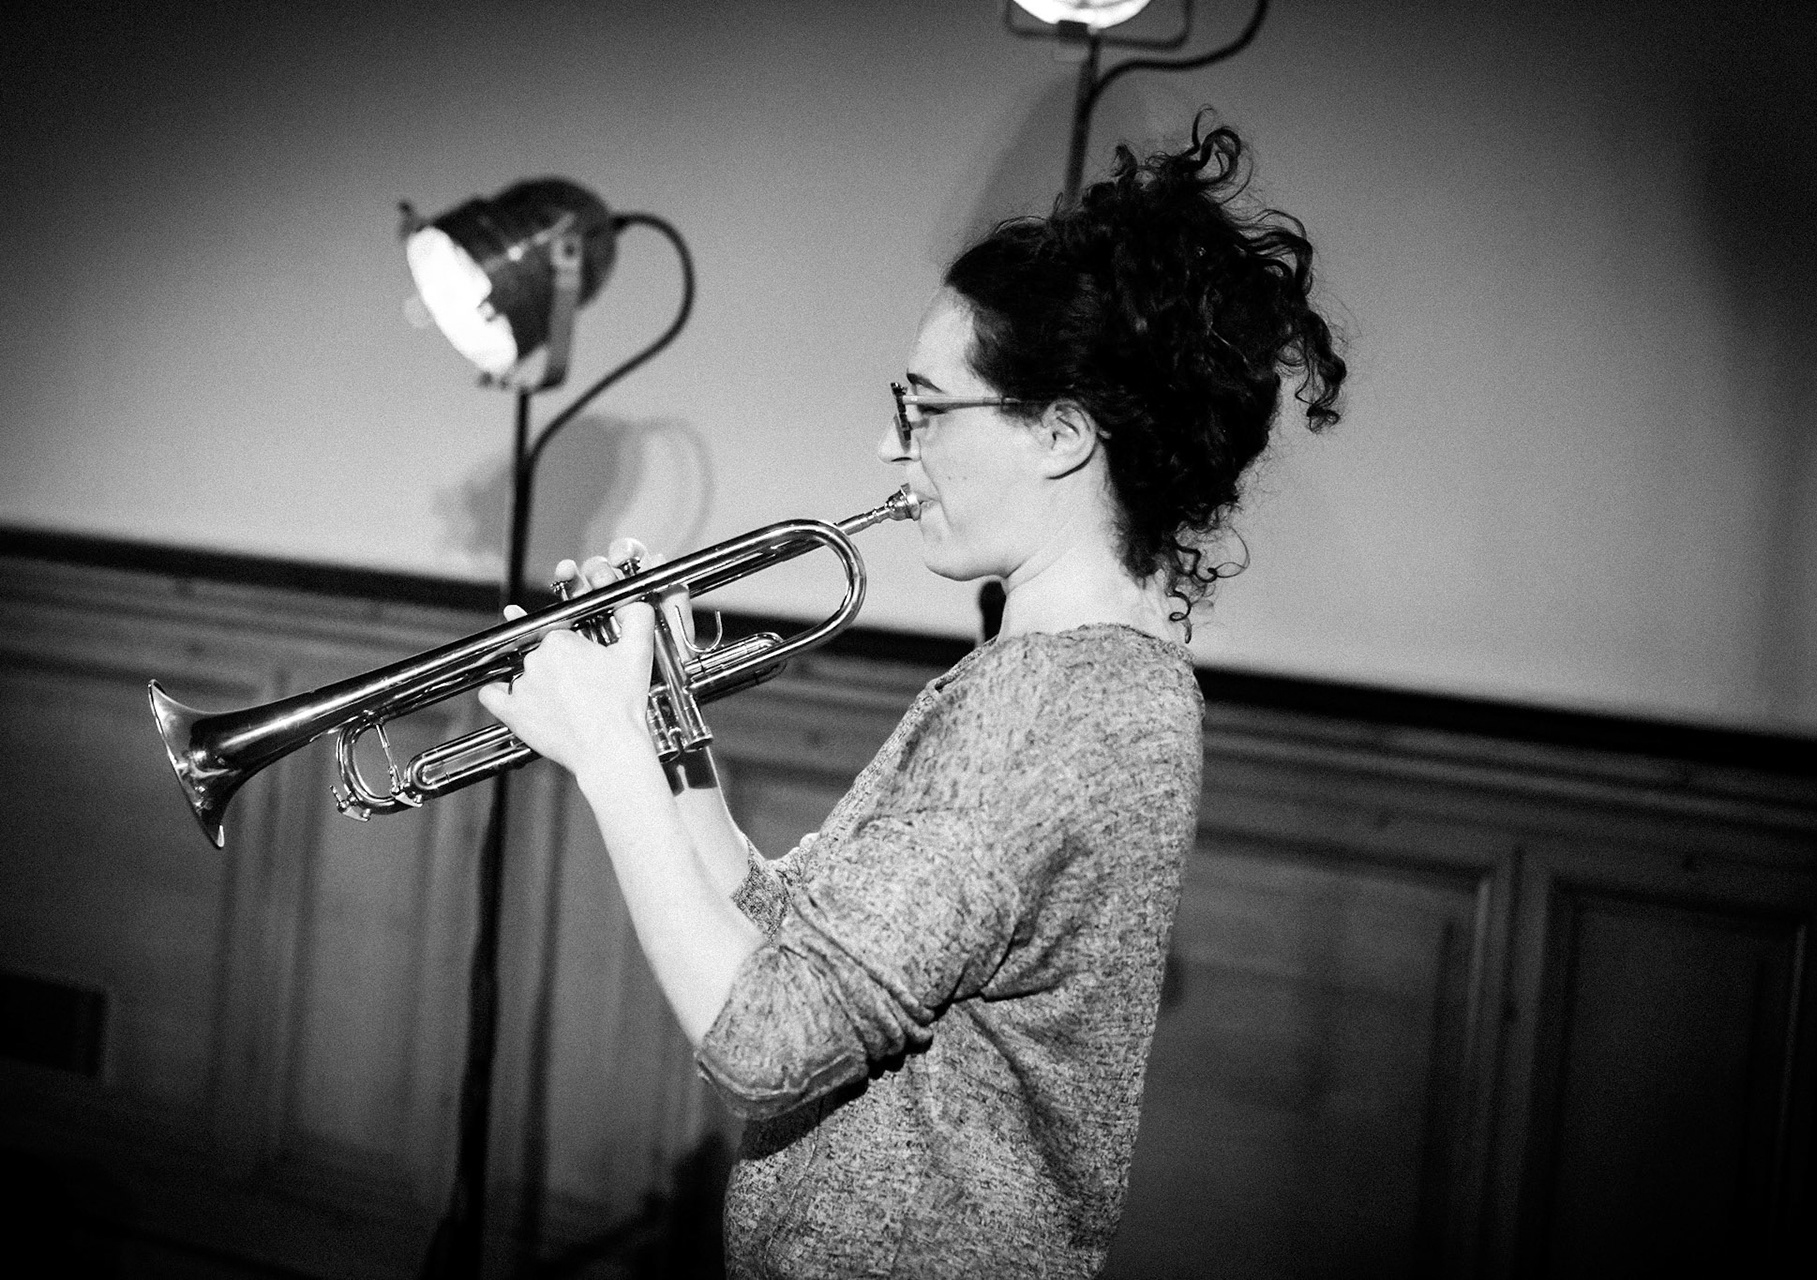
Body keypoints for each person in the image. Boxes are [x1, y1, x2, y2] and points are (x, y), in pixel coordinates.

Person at [477, 117, 1346, 1279]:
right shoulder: (1081, 683)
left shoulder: (1048, 712)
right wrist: (659, 723)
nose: (892, 445)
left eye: (927, 407)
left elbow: (765, 1040)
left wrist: (606, 761)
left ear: (1060, 433)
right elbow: (802, 946)